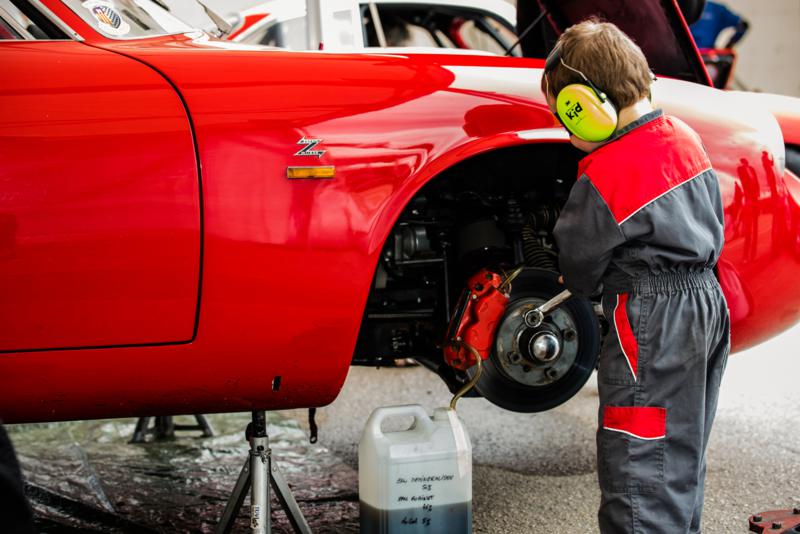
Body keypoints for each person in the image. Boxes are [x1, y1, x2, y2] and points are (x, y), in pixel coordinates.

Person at [543, 20, 731, 534]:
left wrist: (574, 280)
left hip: (651, 320)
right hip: (705, 305)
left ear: (585, 104)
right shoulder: (685, 138)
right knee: (679, 448)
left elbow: (579, 267)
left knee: (639, 457)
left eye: (564, 114)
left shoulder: (608, 171)